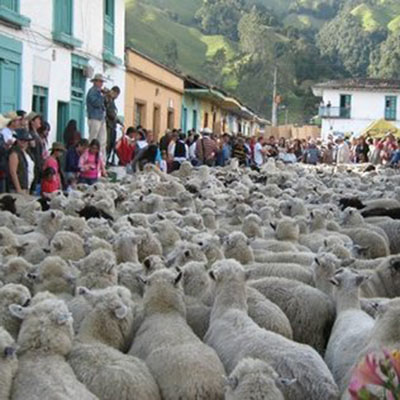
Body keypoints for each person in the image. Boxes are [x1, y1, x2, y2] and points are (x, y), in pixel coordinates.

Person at [8, 129, 35, 194]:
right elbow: (13, 172)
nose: (23, 142)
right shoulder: (14, 153)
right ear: (17, 140)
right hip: (19, 188)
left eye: (25, 140)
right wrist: (18, 188)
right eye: (21, 140)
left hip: (27, 186)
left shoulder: (27, 152)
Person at [86, 73, 107, 158]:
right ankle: (90, 157)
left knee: (102, 140)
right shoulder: (92, 92)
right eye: (100, 82)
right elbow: (96, 103)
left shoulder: (98, 92)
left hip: (101, 118)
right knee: (93, 139)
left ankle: (101, 160)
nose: (101, 84)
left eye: (102, 82)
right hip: (94, 118)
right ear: (95, 82)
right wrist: (103, 96)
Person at [104, 86, 122, 165]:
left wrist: (118, 121)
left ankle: (108, 159)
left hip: (113, 126)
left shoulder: (112, 101)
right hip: (108, 125)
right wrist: (116, 119)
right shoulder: (108, 99)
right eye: (117, 95)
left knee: (112, 144)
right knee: (107, 144)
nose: (117, 97)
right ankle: (105, 160)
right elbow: (110, 112)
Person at [27, 112, 43, 193]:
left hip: (38, 164)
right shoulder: (31, 135)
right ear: (32, 122)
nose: (40, 121)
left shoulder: (37, 134)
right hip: (34, 163)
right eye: (38, 119)